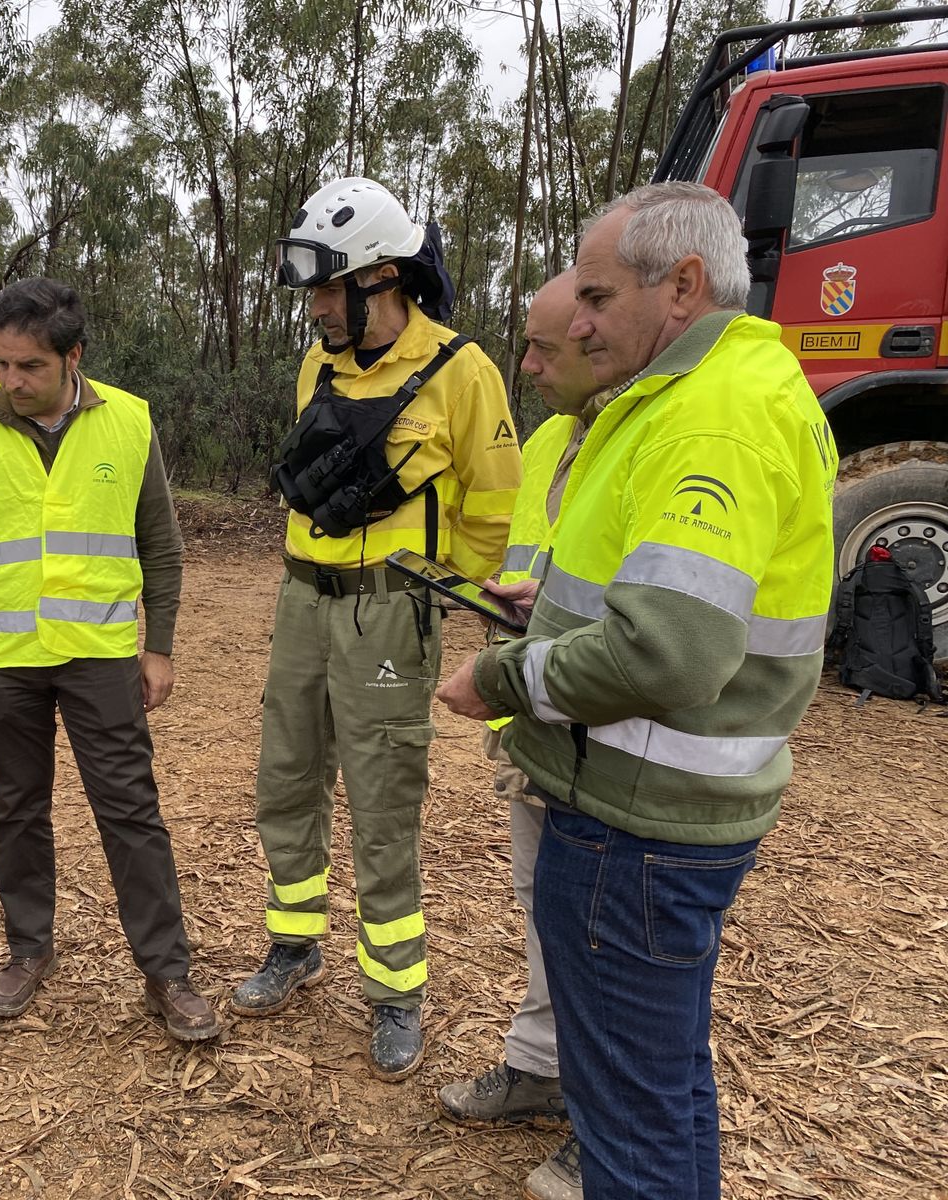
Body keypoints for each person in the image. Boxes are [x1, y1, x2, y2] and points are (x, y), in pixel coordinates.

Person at [436, 182, 836, 1199]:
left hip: (635, 825)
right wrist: (557, 613)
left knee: (629, 1128)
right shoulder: (715, 391)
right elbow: (677, 599)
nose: (576, 322)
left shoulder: (710, 419)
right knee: (659, 1090)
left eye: (599, 297)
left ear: (683, 286)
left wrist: (502, 675)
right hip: (660, 813)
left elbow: (668, 654)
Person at [235, 176, 521, 1079]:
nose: (317, 309)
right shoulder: (318, 364)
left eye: (330, 290)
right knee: (286, 777)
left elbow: (493, 507)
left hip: (390, 612)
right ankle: (294, 944)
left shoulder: (463, 371)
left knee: (383, 798)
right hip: (301, 601)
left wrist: (432, 591)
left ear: (381, 279)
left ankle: (396, 992)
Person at [0, 277, 218, 1042]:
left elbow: (161, 544)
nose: (11, 381)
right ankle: (28, 949)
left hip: (100, 656)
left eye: (31, 367)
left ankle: (167, 972)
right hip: (2, 660)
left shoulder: (129, 422)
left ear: (73, 357)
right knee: (18, 809)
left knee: (131, 812)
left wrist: (159, 646)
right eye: (1, 364)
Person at [435, 270, 609, 1200]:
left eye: (542, 348)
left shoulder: (651, 441)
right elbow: (557, 571)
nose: (528, 366)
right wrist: (515, 605)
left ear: (600, 335)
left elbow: (647, 614)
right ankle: (541, 1067)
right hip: (538, 720)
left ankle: (603, 1120)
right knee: (545, 909)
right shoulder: (550, 439)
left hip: (608, 732)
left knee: (603, 935)